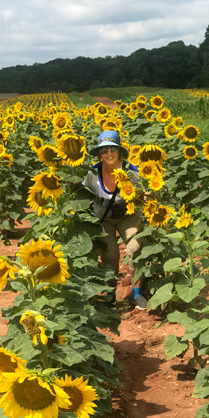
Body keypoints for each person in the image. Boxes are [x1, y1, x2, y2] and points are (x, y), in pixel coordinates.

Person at [83, 130, 147, 309]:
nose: (108, 153)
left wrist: (148, 197)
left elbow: (143, 196)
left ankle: (136, 294)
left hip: (128, 217)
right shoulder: (92, 174)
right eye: (104, 150)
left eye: (112, 149)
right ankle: (110, 294)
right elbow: (80, 196)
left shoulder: (132, 172)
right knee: (109, 254)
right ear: (99, 154)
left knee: (136, 247)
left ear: (119, 150)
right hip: (103, 219)